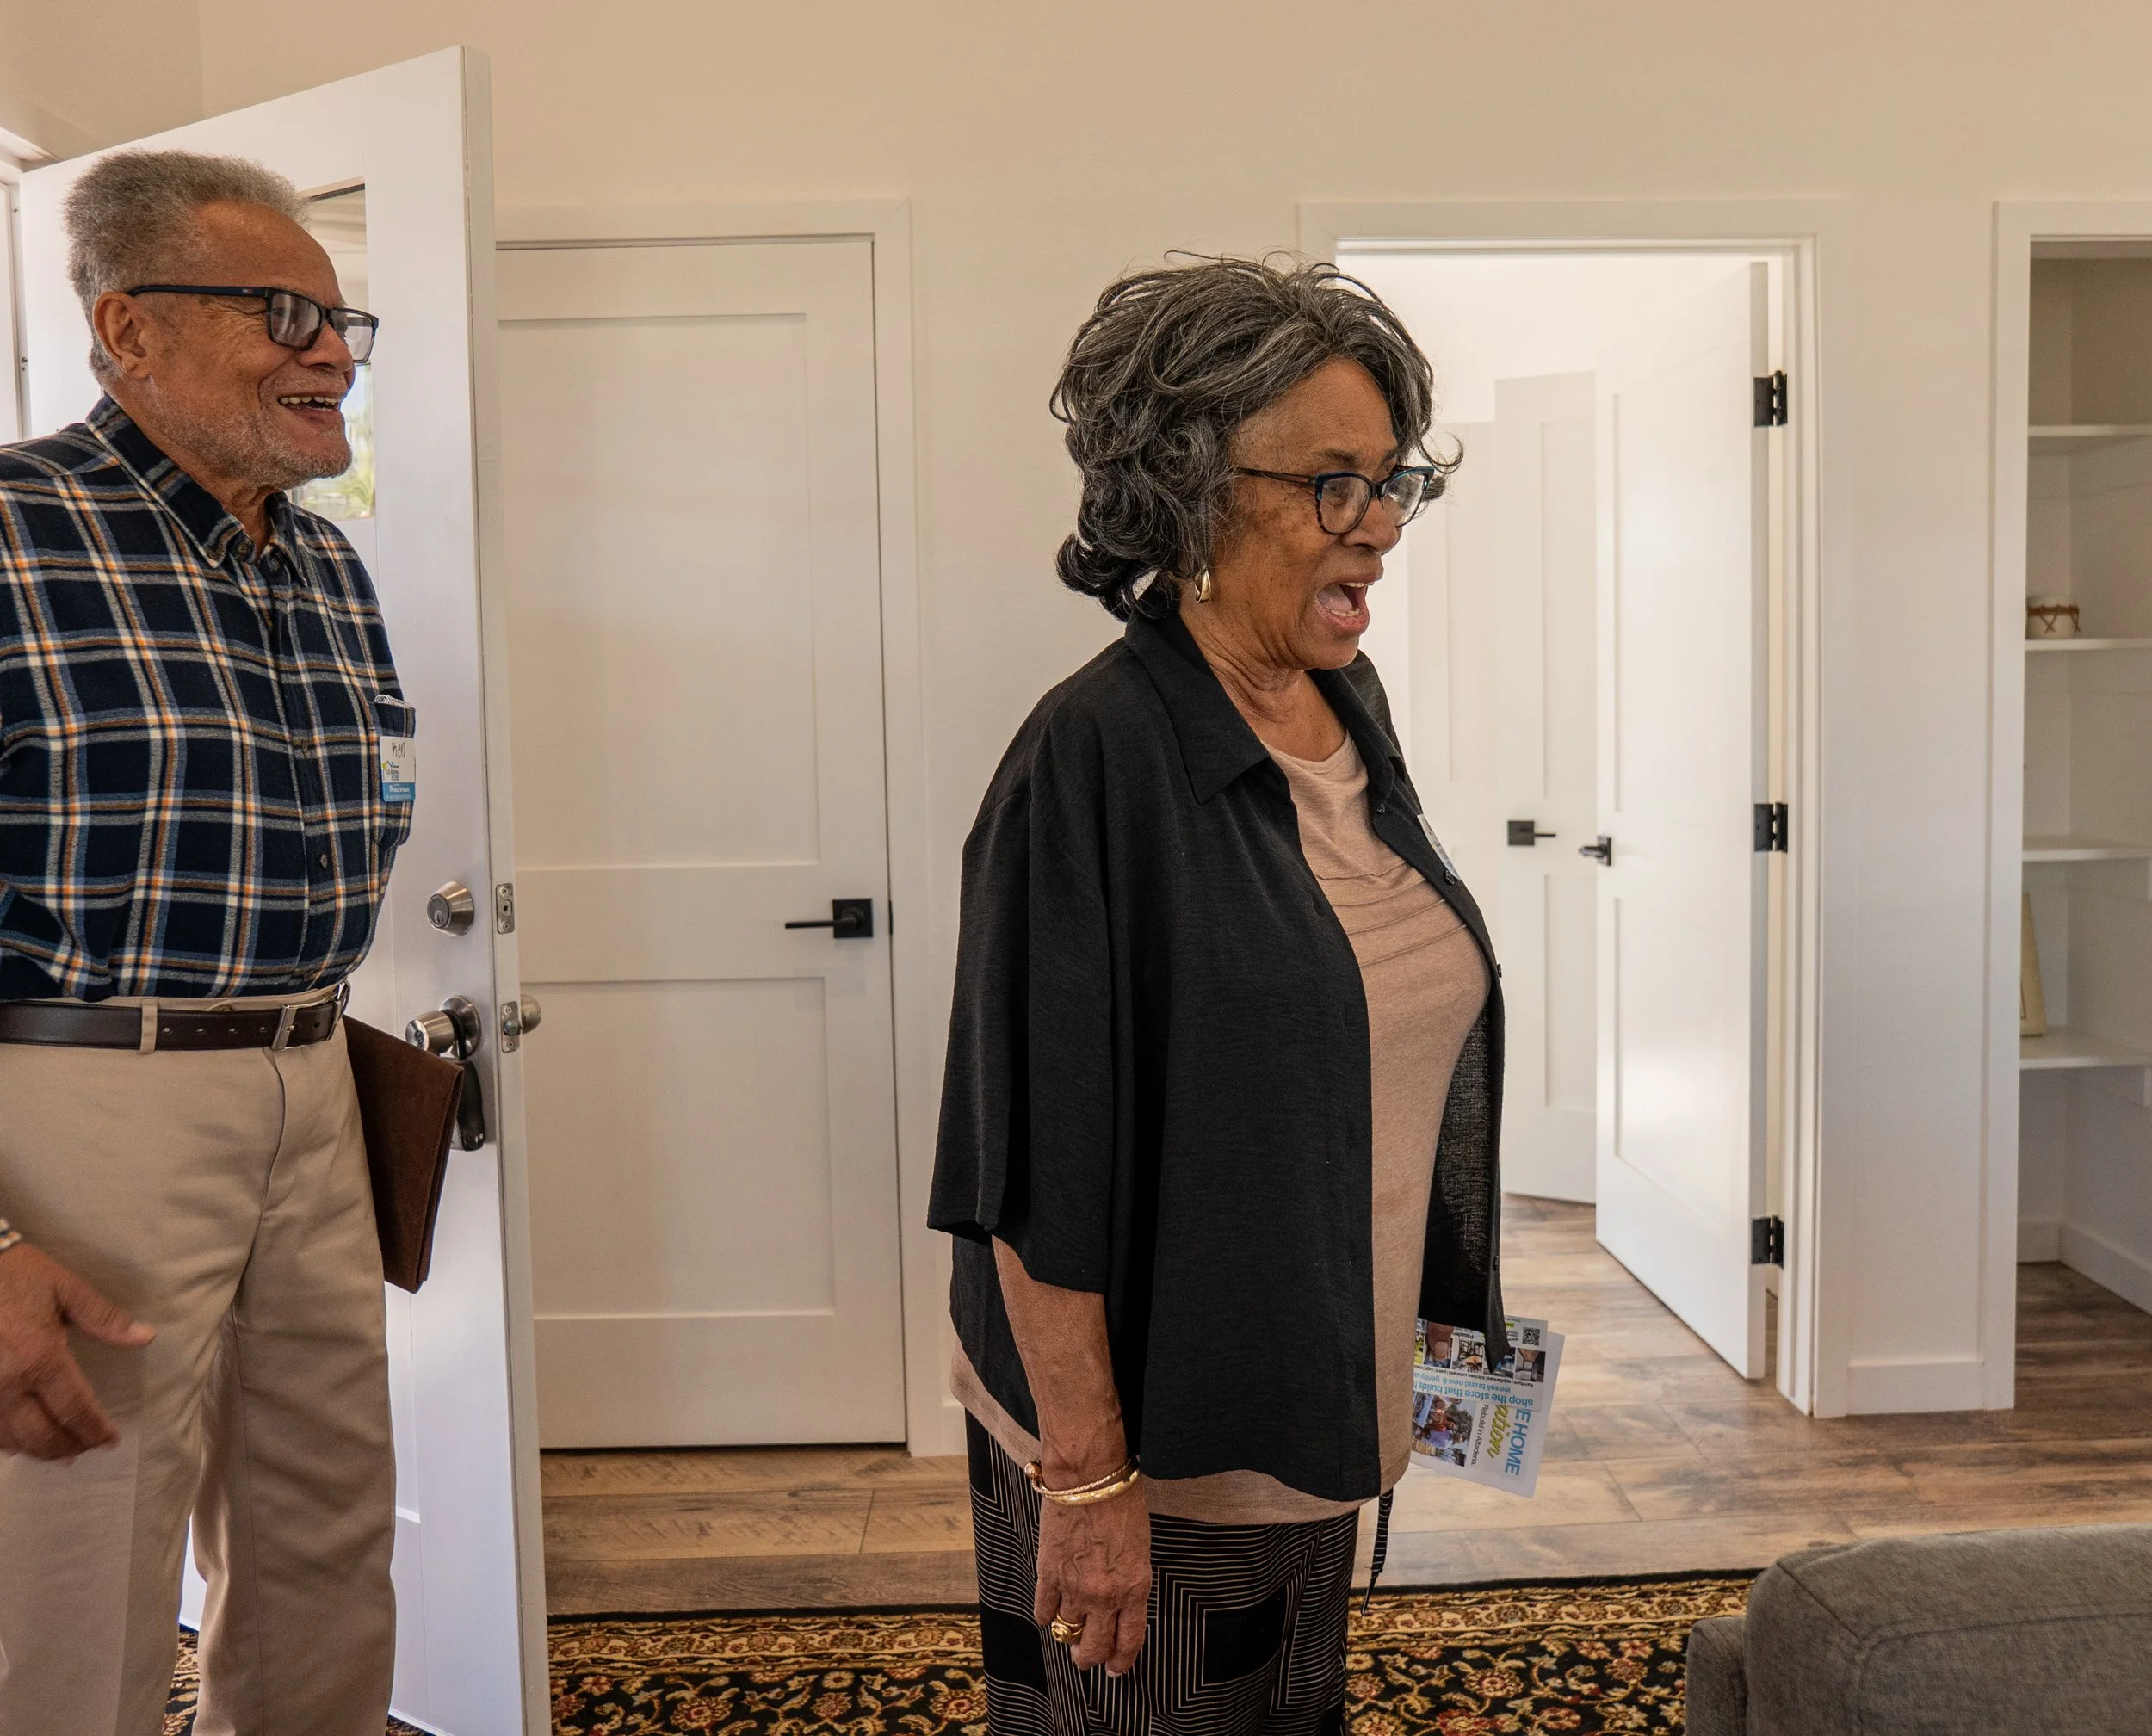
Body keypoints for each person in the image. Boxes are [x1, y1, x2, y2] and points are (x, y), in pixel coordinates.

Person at [930, 256, 1507, 1736]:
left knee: (1287, 1713)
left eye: (1393, 483)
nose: (1378, 528)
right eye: (1332, 484)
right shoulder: (1094, 761)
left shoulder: (1341, 708)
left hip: (1325, 1402)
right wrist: (1089, 1481)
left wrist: (1450, 1379)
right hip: (1160, 1451)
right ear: (1190, 488)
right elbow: (1028, 1172)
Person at [0, 151, 403, 1734]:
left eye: (341, 318)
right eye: (281, 312)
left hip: (312, 1090)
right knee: (71, 1565)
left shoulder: (328, 574)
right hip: (79, 1111)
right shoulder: (14, 534)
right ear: (129, 330)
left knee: (327, 1546)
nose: (331, 350)